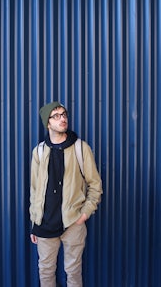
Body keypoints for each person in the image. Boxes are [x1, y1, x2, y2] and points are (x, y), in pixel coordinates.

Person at [29, 101, 102, 287]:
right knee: (45, 272)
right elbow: (35, 190)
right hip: (45, 223)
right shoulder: (38, 152)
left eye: (64, 115)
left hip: (73, 223)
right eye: (57, 116)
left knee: (73, 272)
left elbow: (95, 185)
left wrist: (84, 214)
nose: (63, 119)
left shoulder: (80, 148)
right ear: (48, 123)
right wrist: (34, 221)